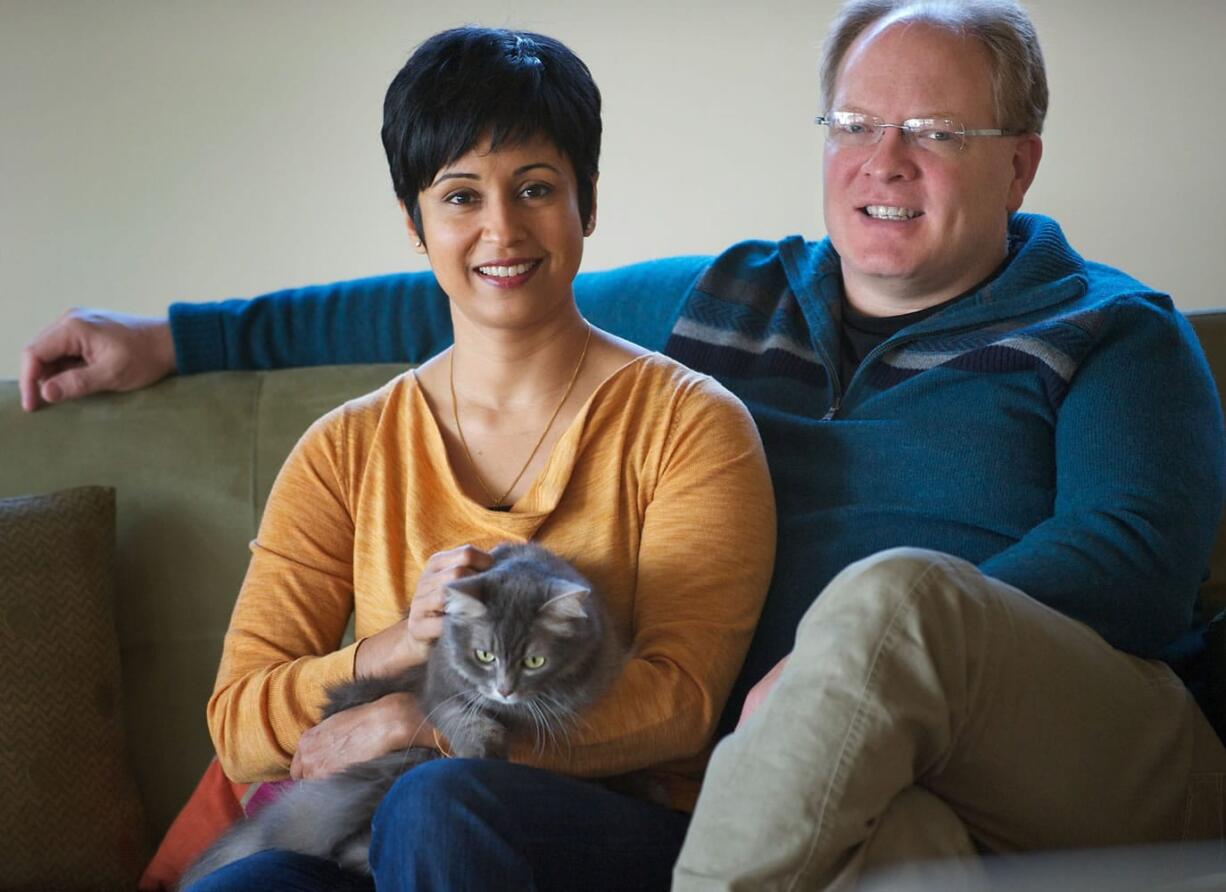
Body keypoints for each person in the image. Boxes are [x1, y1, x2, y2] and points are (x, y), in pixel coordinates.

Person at [19, 0, 1226, 887]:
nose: (884, 161)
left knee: (890, 599)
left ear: (1018, 160)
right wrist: (174, 335)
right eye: (856, 122)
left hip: (1078, 740)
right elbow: (469, 283)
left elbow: (1128, 560)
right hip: (837, 772)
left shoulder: (1112, 331)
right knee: (903, 851)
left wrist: (830, 673)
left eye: (934, 131)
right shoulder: (736, 295)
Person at [178, 26, 775, 891]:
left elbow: (680, 707)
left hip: (610, 832)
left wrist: (424, 727)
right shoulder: (345, 450)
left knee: (441, 802)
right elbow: (238, 723)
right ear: (415, 223)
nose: (502, 229)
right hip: (380, 832)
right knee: (239, 884)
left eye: (535, 188)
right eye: (460, 197)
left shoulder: (690, 425)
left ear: (588, 203)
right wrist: (386, 653)